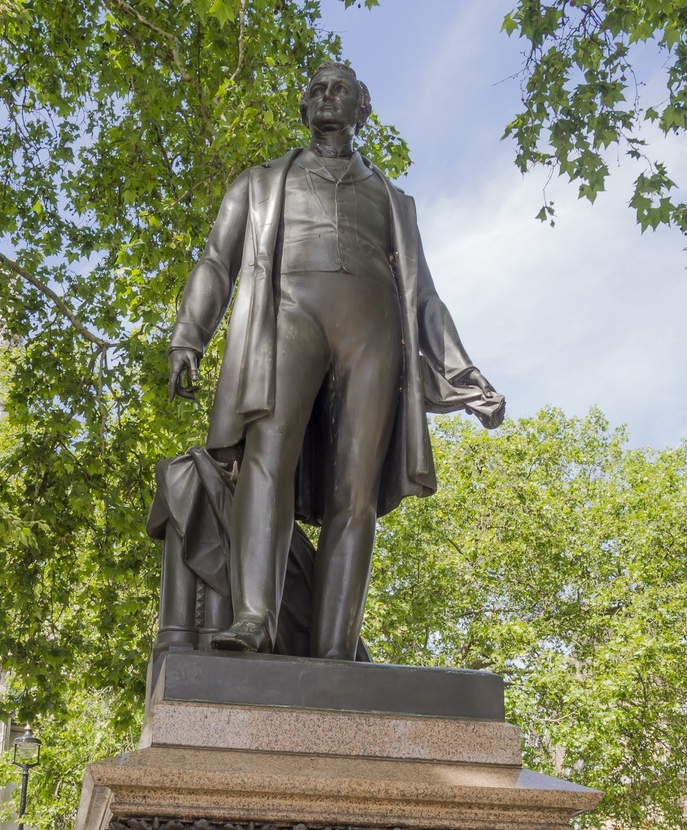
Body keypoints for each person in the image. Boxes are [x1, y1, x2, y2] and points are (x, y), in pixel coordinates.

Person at [167, 61, 503, 660]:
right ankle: (254, 617)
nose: (327, 95)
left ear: (360, 108)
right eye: (317, 89)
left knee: (358, 490)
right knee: (267, 459)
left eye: (339, 87)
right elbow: (217, 262)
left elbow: (424, 296)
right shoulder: (260, 182)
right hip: (288, 314)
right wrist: (187, 336)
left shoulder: (395, 202)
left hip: (372, 329)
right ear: (304, 109)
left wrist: (463, 371)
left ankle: (334, 652)